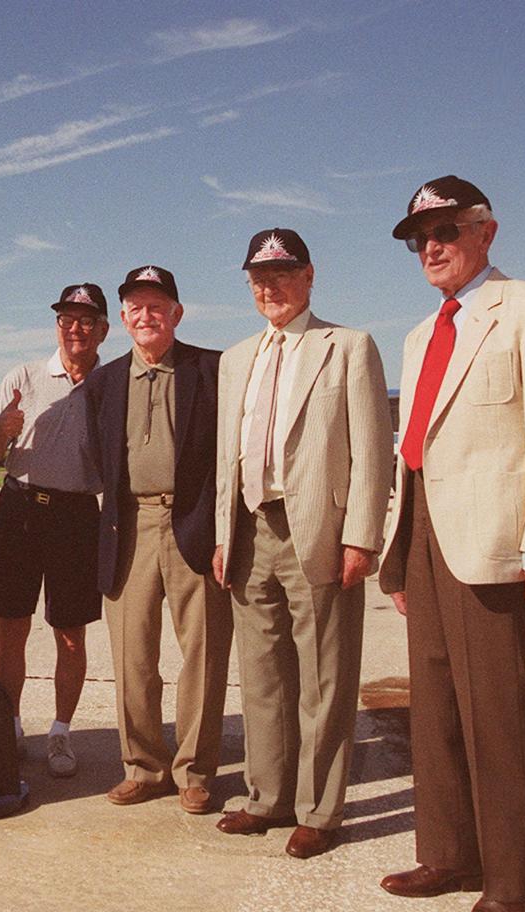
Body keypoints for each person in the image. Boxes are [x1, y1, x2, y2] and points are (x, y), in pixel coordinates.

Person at [377, 177, 525, 912]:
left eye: (444, 231)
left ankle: (513, 881)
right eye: (417, 238)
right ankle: (446, 853)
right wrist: (399, 551)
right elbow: (417, 453)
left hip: (494, 542)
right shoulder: (419, 332)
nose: (429, 247)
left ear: (485, 231)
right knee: (432, 708)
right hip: (427, 536)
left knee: (495, 712)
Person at [211, 229, 393, 857]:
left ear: (309, 276)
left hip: (317, 528)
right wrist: (221, 533)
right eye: (259, 278)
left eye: (283, 274)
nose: (270, 287)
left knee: (324, 677)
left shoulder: (346, 347)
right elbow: (224, 457)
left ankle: (319, 809)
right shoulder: (237, 358)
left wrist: (362, 537)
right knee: (260, 677)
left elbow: (372, 452)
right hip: (250, 527)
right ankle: (267, 797)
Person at [84, 265, 233, 814]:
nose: (146, 316)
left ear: (176, 313)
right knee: (133, 657)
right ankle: (144, 767)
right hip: (130, 527)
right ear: (123, 319)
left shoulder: (211, 370)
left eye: (156, 305)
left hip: (194, 523)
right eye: (135, 308)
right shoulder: (104, 383)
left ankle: (194, 770)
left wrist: (223, 533)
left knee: (204, 652)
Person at [0, 283, 108, 777]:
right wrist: (0, 432)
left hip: (77, 515)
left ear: (102, 329)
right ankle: (10, 724)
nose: (74, 329)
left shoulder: (112, 383)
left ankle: (59, 732)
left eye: (85, 320)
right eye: (65, 319)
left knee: (70, 633)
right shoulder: (25, 376)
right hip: (20, 508)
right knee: (11, 625)